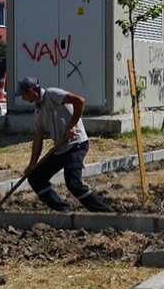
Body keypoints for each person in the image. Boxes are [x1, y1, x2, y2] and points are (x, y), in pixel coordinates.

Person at [18, 77, 111, 212]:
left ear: (31, 91)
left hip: (76, 144)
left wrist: (71, 126)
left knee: (73, 183)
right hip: (60, 148)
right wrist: (32, 164)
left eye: (23, 94)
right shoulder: (38, 111)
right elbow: (38, 138)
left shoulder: (52, 94)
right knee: (35, 177)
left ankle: (105, 213)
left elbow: (79, 101)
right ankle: (63, 210)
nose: (22, 98)